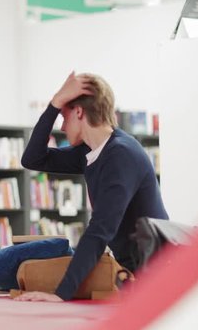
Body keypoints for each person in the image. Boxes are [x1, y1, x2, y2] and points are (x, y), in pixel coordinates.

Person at [15, 72, 169, 302]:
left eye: (64, 117)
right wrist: (55, 104)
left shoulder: (121, 154)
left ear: (79, 112)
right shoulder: (90, 151)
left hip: (156, 277)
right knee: (17, 260)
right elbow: (32, 159)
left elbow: (100, 231)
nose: (63, 127)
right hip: (131, 270)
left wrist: (60, 295)